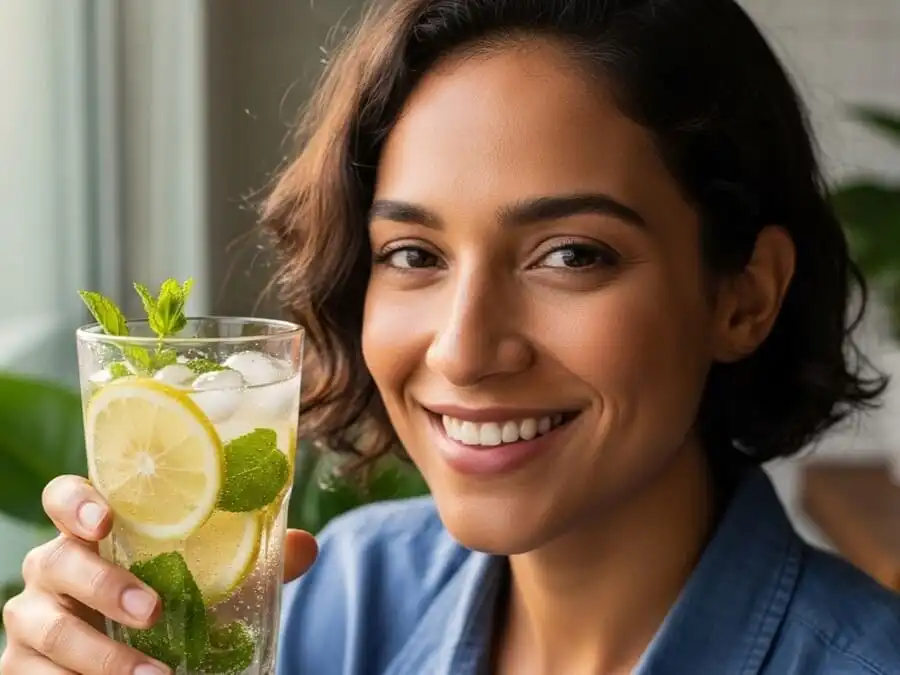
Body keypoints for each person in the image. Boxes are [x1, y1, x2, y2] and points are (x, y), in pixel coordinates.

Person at [4, 0, 900, 673]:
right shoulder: (328, 611)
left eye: (572, 254)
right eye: (413, 253)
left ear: (743, 296)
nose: (464, 350)